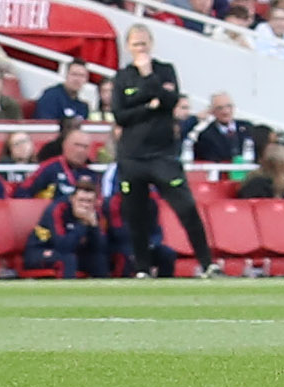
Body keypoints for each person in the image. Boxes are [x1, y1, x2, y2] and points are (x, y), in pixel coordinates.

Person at [107, 24, 218, 278]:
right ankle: (143, 269)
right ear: (128, 47)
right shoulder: (122, 77)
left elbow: (169, 101)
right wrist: (150, 105)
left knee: (186, 207)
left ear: (152, 43)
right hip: (132, 156)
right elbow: (120, 115)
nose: (140, 48)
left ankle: (207, 263)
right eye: (136, 44)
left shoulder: (164, 70)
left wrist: (148, 80)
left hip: (163, 155)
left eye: (144, 43)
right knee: (135, 215)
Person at [23, 183, 114, 279]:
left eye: (89, 201)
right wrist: (82, 224)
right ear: (72, 199)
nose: (85, 205)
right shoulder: (57, 209)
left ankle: (101, 291)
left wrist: (94, 226)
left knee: (99, 258)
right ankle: (68, 293)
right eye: (81, 200)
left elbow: (101, 247)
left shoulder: (95, 214)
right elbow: (62, 246)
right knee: (67, 258)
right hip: (41, 251)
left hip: (73, 252)